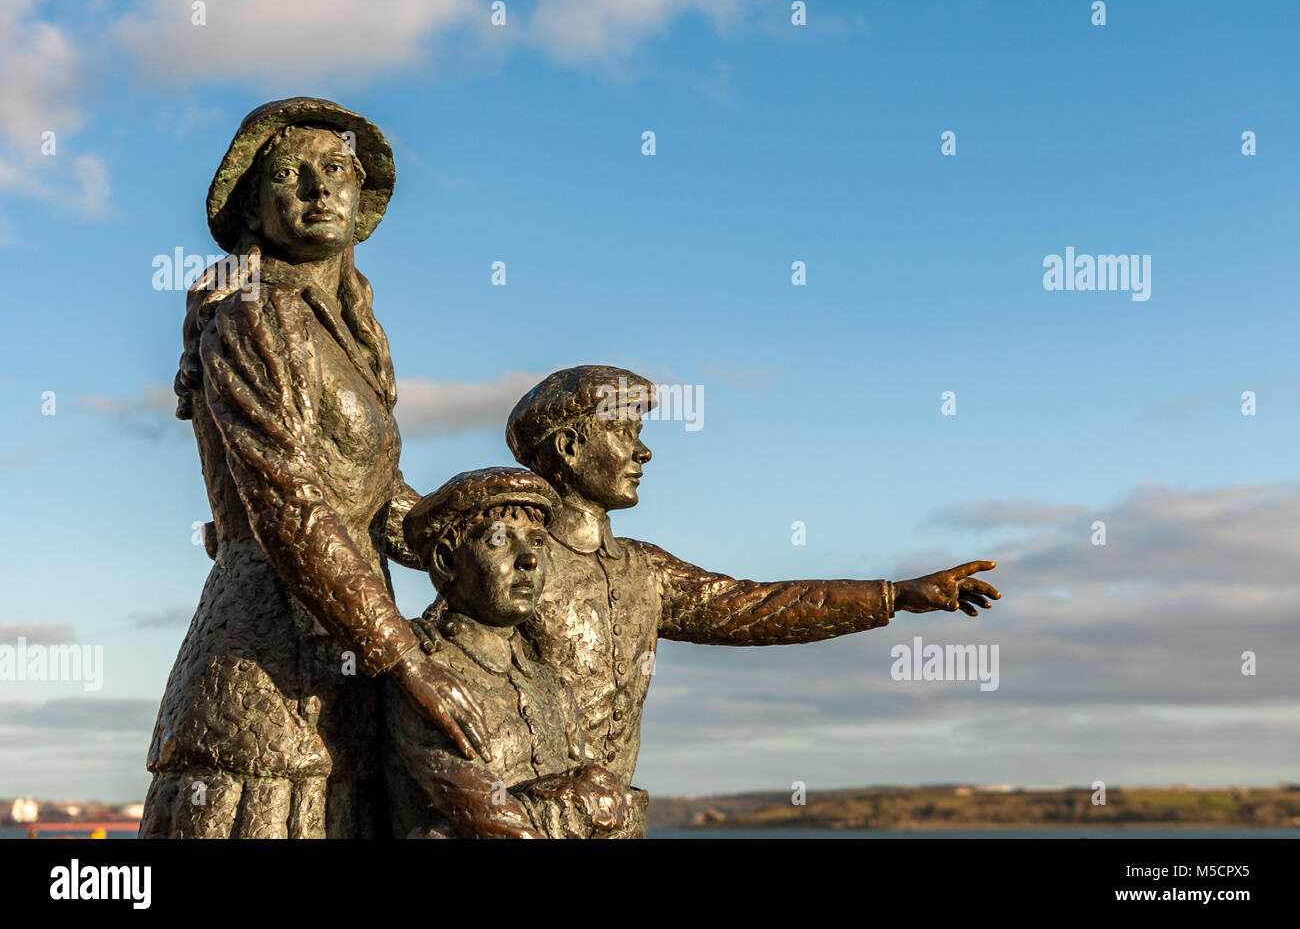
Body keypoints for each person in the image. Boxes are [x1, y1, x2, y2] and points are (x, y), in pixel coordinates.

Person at [141, 99, 489, 839]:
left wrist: (501, 538)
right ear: (253, 207)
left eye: (335, 170)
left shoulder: (347, 333)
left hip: (345, 681)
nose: (317, 188)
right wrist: (405, 660)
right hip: (266, 682)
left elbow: (380, 504)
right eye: (289, 174)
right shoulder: (251, 314)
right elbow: (290, 503)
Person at [505, 366, 1003, 837]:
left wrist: (894, 596)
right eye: (625, 432)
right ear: (570, 446)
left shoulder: (646, 570)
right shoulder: (510, 561)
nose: (644, 452)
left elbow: (757, 608)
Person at [384, 467, 636, 838]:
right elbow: (479, 810)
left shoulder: (550, 684)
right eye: (500, 540)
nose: (529, 559)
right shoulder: (426, 672)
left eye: (536, 542)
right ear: (446, 561)